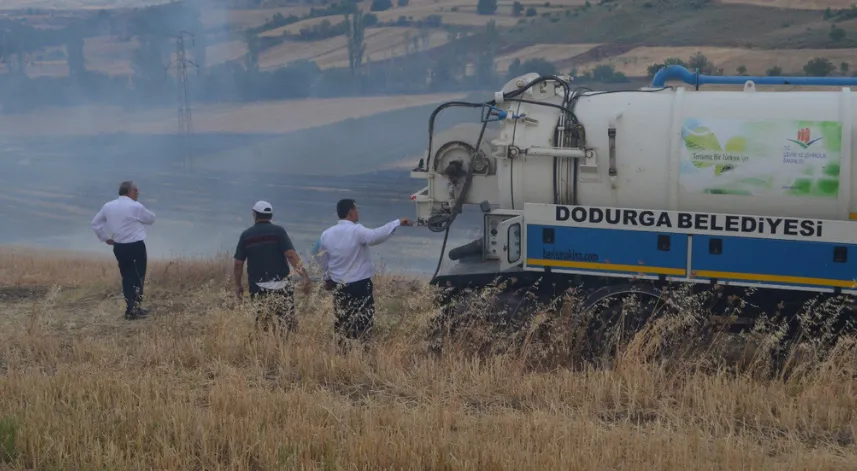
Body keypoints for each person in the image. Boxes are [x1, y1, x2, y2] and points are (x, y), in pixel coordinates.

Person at [317, 198, 412, 346]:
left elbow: (322, 258)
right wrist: (397, 222)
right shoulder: (356, 230)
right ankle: (361, 351)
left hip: (338, 284)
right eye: (356, 209)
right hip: (360, 285)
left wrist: (327, 278)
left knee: (342, 319)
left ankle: (343, 351)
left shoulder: (326, 234)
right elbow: (375, 236)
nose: (358, 212)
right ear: (350, 212)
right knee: (363, 320)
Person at [233, 200, 311, 335]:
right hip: (282, 286)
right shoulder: (278, 232)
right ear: (270, 216)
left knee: (262, 324)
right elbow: (291, 256)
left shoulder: (246, 235)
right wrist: (305, 276)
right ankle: (287, 350)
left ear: (255, 215)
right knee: (288, 324)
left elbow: (238, 264)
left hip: (259, 287)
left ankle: (265, 350)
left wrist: (238, 285)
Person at [90, 180, 156, 320]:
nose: (138, 193)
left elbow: (95, 223)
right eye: (136, 190)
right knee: (138, 276)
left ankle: (130, 308)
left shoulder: (108, 206)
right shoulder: (135, 206)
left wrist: (106, 238)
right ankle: (135, 308)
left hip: (119, 246)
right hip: (136, 245)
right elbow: (151, 219)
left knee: (127, 277)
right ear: (129, 192)